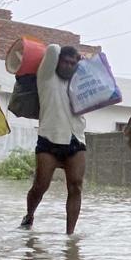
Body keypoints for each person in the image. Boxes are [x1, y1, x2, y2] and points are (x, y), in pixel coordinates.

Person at [20, 44, 86, 235]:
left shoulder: (78, 83)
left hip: (76, 139)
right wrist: (75, 56)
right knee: (40, 186)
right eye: (65, 62)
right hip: (49, 140)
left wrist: (81, 65)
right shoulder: (46, 76)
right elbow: (53, 49)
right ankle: (29, 215)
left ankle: (70, 235)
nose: (68, 66)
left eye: (73, 63)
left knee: (76, 186)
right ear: (57, 62)